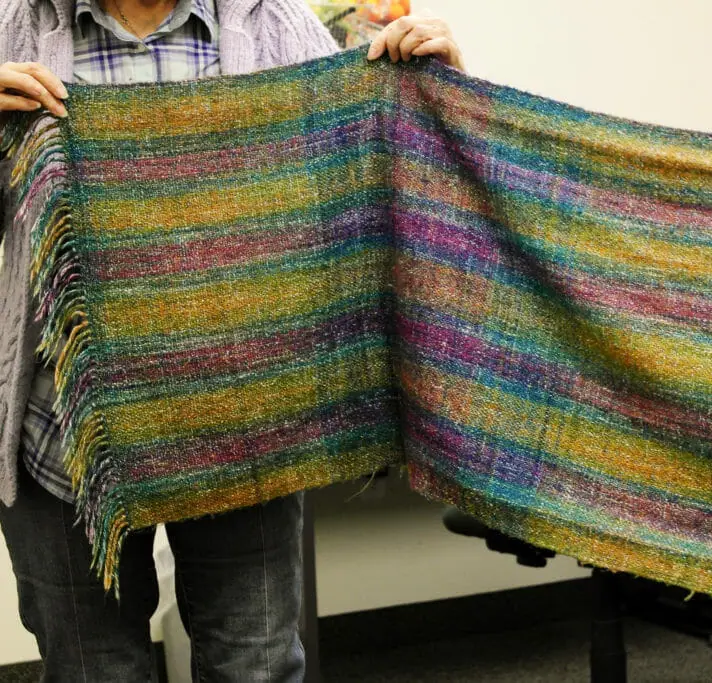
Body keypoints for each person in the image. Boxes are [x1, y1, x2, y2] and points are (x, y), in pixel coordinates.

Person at [0, 1, 462, 680]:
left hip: (246, 431)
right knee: (91, 672)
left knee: (256, 667)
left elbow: (376, 178)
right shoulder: (14, 26)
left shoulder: (276, 24)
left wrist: (440, 93)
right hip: (62, 439)